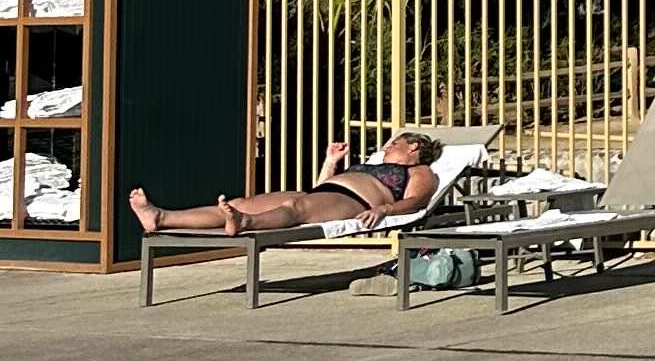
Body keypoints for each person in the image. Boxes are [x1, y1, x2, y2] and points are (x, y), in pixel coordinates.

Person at [131, 132, 442, 243]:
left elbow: (417, 201)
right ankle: (161, 217)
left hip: (356, 202)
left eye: (394, 143)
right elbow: (321, 187)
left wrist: (385, 209)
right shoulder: (371, 163)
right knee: (241, 201)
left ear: (413, 146)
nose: (387, 147)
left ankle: (245, 223)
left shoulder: (420, 171)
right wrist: (331, 161)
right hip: (322, 194)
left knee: (295, 209)